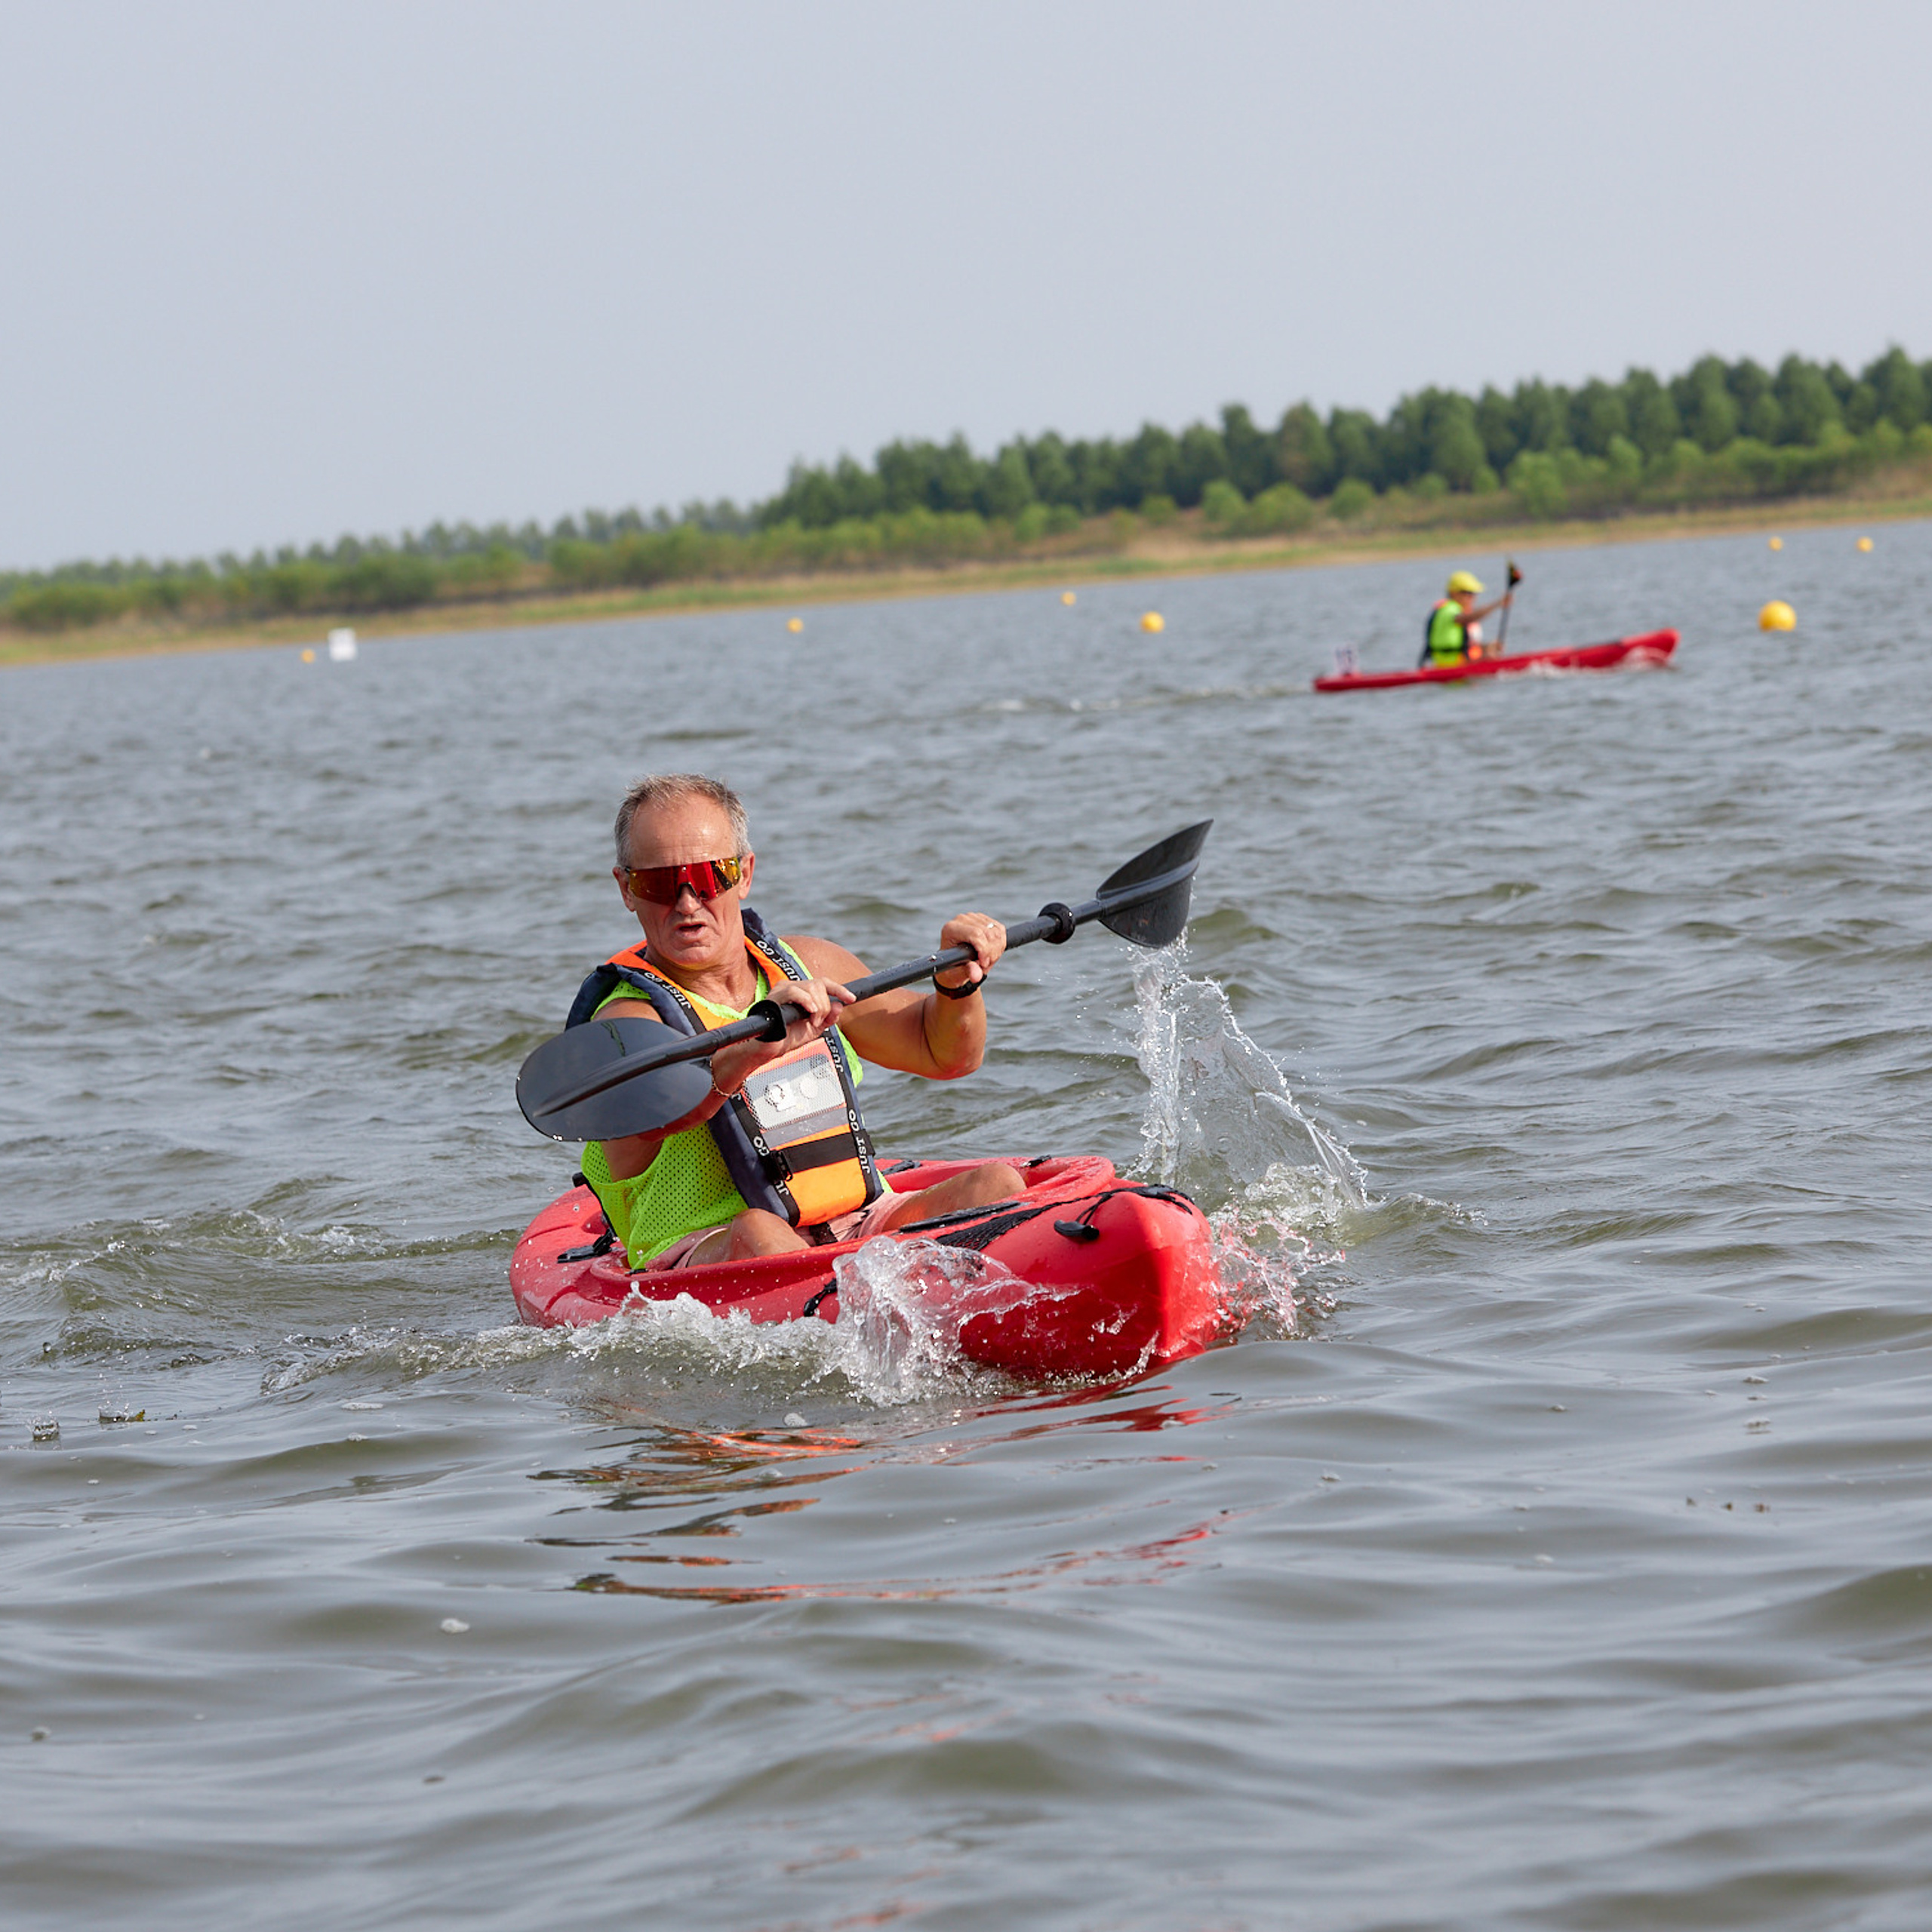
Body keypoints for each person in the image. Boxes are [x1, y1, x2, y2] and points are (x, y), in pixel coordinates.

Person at [565, 773, 1026, 1271]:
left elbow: (946, 1055)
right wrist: (754, 1047)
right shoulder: (625, 1023)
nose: (687, 904)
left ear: (744, 874)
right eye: (657, 883)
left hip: (859, 1220)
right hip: (708, 1245)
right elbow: (633, 1147)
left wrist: (957, 983)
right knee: (759, 1229)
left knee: (997, 1184)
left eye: (708, 877)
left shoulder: (811, 965)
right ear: (626, 889)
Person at [1422, 569, 1514, 668]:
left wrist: (1487, 648)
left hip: (1463, 663)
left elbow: (1466, 645)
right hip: (1450, 666)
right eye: (1468, 593)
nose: (1472, 597)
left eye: (1474, 594)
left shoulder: (1459, 611)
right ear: (1454, 593)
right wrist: (1498, 604)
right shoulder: (1447, 609)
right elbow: (1469, 618)